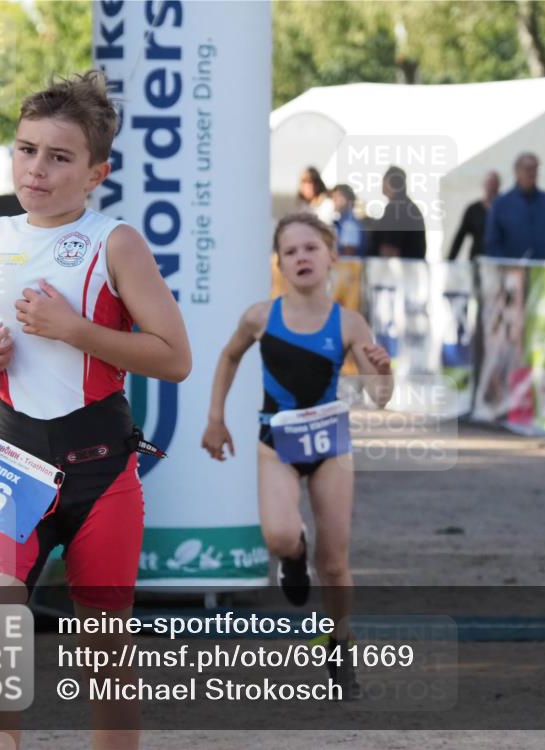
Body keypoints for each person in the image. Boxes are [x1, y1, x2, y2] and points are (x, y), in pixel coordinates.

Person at [0, 71, 191, 749]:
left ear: (96, 172)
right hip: (12, 464)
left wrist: (75, 330)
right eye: (27, 150)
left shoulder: (117, 243)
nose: (38, 169)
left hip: (101, 475)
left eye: (59, 157)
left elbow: (175, 357)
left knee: (105, 665)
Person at [201, 212, 393, 697]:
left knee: (334, 564)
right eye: (291, 251)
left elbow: (380, 396)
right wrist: (215, 418)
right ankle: (293, 555)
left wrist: (383, 372)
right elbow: (228, 356)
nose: (302, 257)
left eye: (311, 248)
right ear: (279, 263)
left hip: (330, 448)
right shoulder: (260, 317)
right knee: (282, 536)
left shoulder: (349, 322)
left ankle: (340, 642)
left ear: (332, 255)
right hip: (277, 444)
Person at [483, 152, 545, 260]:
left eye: (535, 169)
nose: (532, 173)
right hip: (511, 274)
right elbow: (492, 244)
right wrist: (507, 268)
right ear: (516, 172)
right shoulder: (501, 204)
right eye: (528, 169)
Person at [367, 166, 426, 259]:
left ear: (391, 182)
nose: (381, 184)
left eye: (384, 180)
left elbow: (389, 250)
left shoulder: (396, 208)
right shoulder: (407, 206)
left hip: (400, 270)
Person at [447, 170, 500, 261]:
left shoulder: (505, 209)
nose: (490, 187)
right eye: (488, 183)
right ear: (483, 185)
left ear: (498, 185)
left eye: (493, 183)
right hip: (477, 259)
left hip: (498, 260)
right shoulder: (473, 209)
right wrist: (450, 260)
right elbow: (460, 236)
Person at [331, 184, 364, 257]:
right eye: (333, 198)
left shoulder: (349, 224)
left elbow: (348, 256)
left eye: (336, 198)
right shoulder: (343, 222)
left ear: (347, 200)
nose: (334, 202)